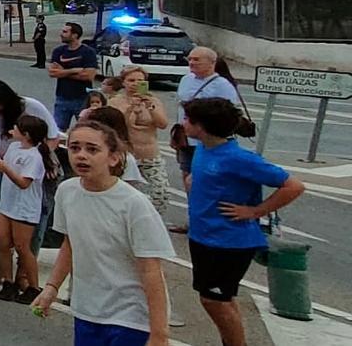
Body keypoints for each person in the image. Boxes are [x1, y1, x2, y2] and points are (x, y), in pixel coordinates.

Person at [34, 121, 173, 346]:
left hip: (131, 317)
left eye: (92, 149)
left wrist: (159, 333)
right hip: (88, 310)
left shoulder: (134, 204)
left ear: (114, 157)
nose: (81, 155)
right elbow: (71, 244)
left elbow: (151, 269)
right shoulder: (67, 192)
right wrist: (51, 287)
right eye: (74, 148)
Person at [182, 98, 304, 346]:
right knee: (221, 298)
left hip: (228, 241)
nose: (183, 123)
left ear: (201, 126)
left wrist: (255, 211)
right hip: (203, 236)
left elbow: (294, 186)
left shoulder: (239, 158)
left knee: (213, 300)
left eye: (187, 119)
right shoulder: (204, 148)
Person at [0, 80, 61, 292]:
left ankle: (26, 275)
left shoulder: (31, 107)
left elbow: (53, 137)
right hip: (7, 168)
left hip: (38, 168)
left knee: (36, 223)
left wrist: (42, 158)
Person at [173, 47, 242, 219]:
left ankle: (209, 217)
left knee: (205, 182)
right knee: (187, 177)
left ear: (212, 62)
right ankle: (193, 219)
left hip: (209, 142)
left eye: (197, 60)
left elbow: (229, 114)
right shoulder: (185, 80)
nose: (192, 63)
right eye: (190, 59)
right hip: (187, 140)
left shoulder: (223, 86)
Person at [0, 115, 54, 304]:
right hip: (7, 204)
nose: (13, 129)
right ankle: (8, 281)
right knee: (1, 241)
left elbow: (23, 183)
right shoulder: (13, 147)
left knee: (22, 246)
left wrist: (5, 169)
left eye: (17, 128)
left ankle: (33, 287)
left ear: (26, 134)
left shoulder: (35, 157)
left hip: (24, 208)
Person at [109, 65, 171, 215]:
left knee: (160, 193)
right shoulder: (115, 101)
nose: (135, 83)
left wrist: (150, 106)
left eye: (140, 81)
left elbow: (162, 124)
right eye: (131, 80)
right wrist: (130, 108)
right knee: (122, 197)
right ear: (123, 82)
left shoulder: (153, 100)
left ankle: (152, 223)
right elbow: (115, 124)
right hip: (126, 157)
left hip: (149, 156)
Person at [47, 22, 97, 131]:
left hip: (83, 98)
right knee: (58, 131)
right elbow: (53, 73)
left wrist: (63, 72)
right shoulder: (58, 51)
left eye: (65, 32)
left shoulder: (88, 52)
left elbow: (88, 76)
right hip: (62, 98)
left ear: (75, 35)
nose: (61, 34)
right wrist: (74, 70)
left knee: (85, 129)